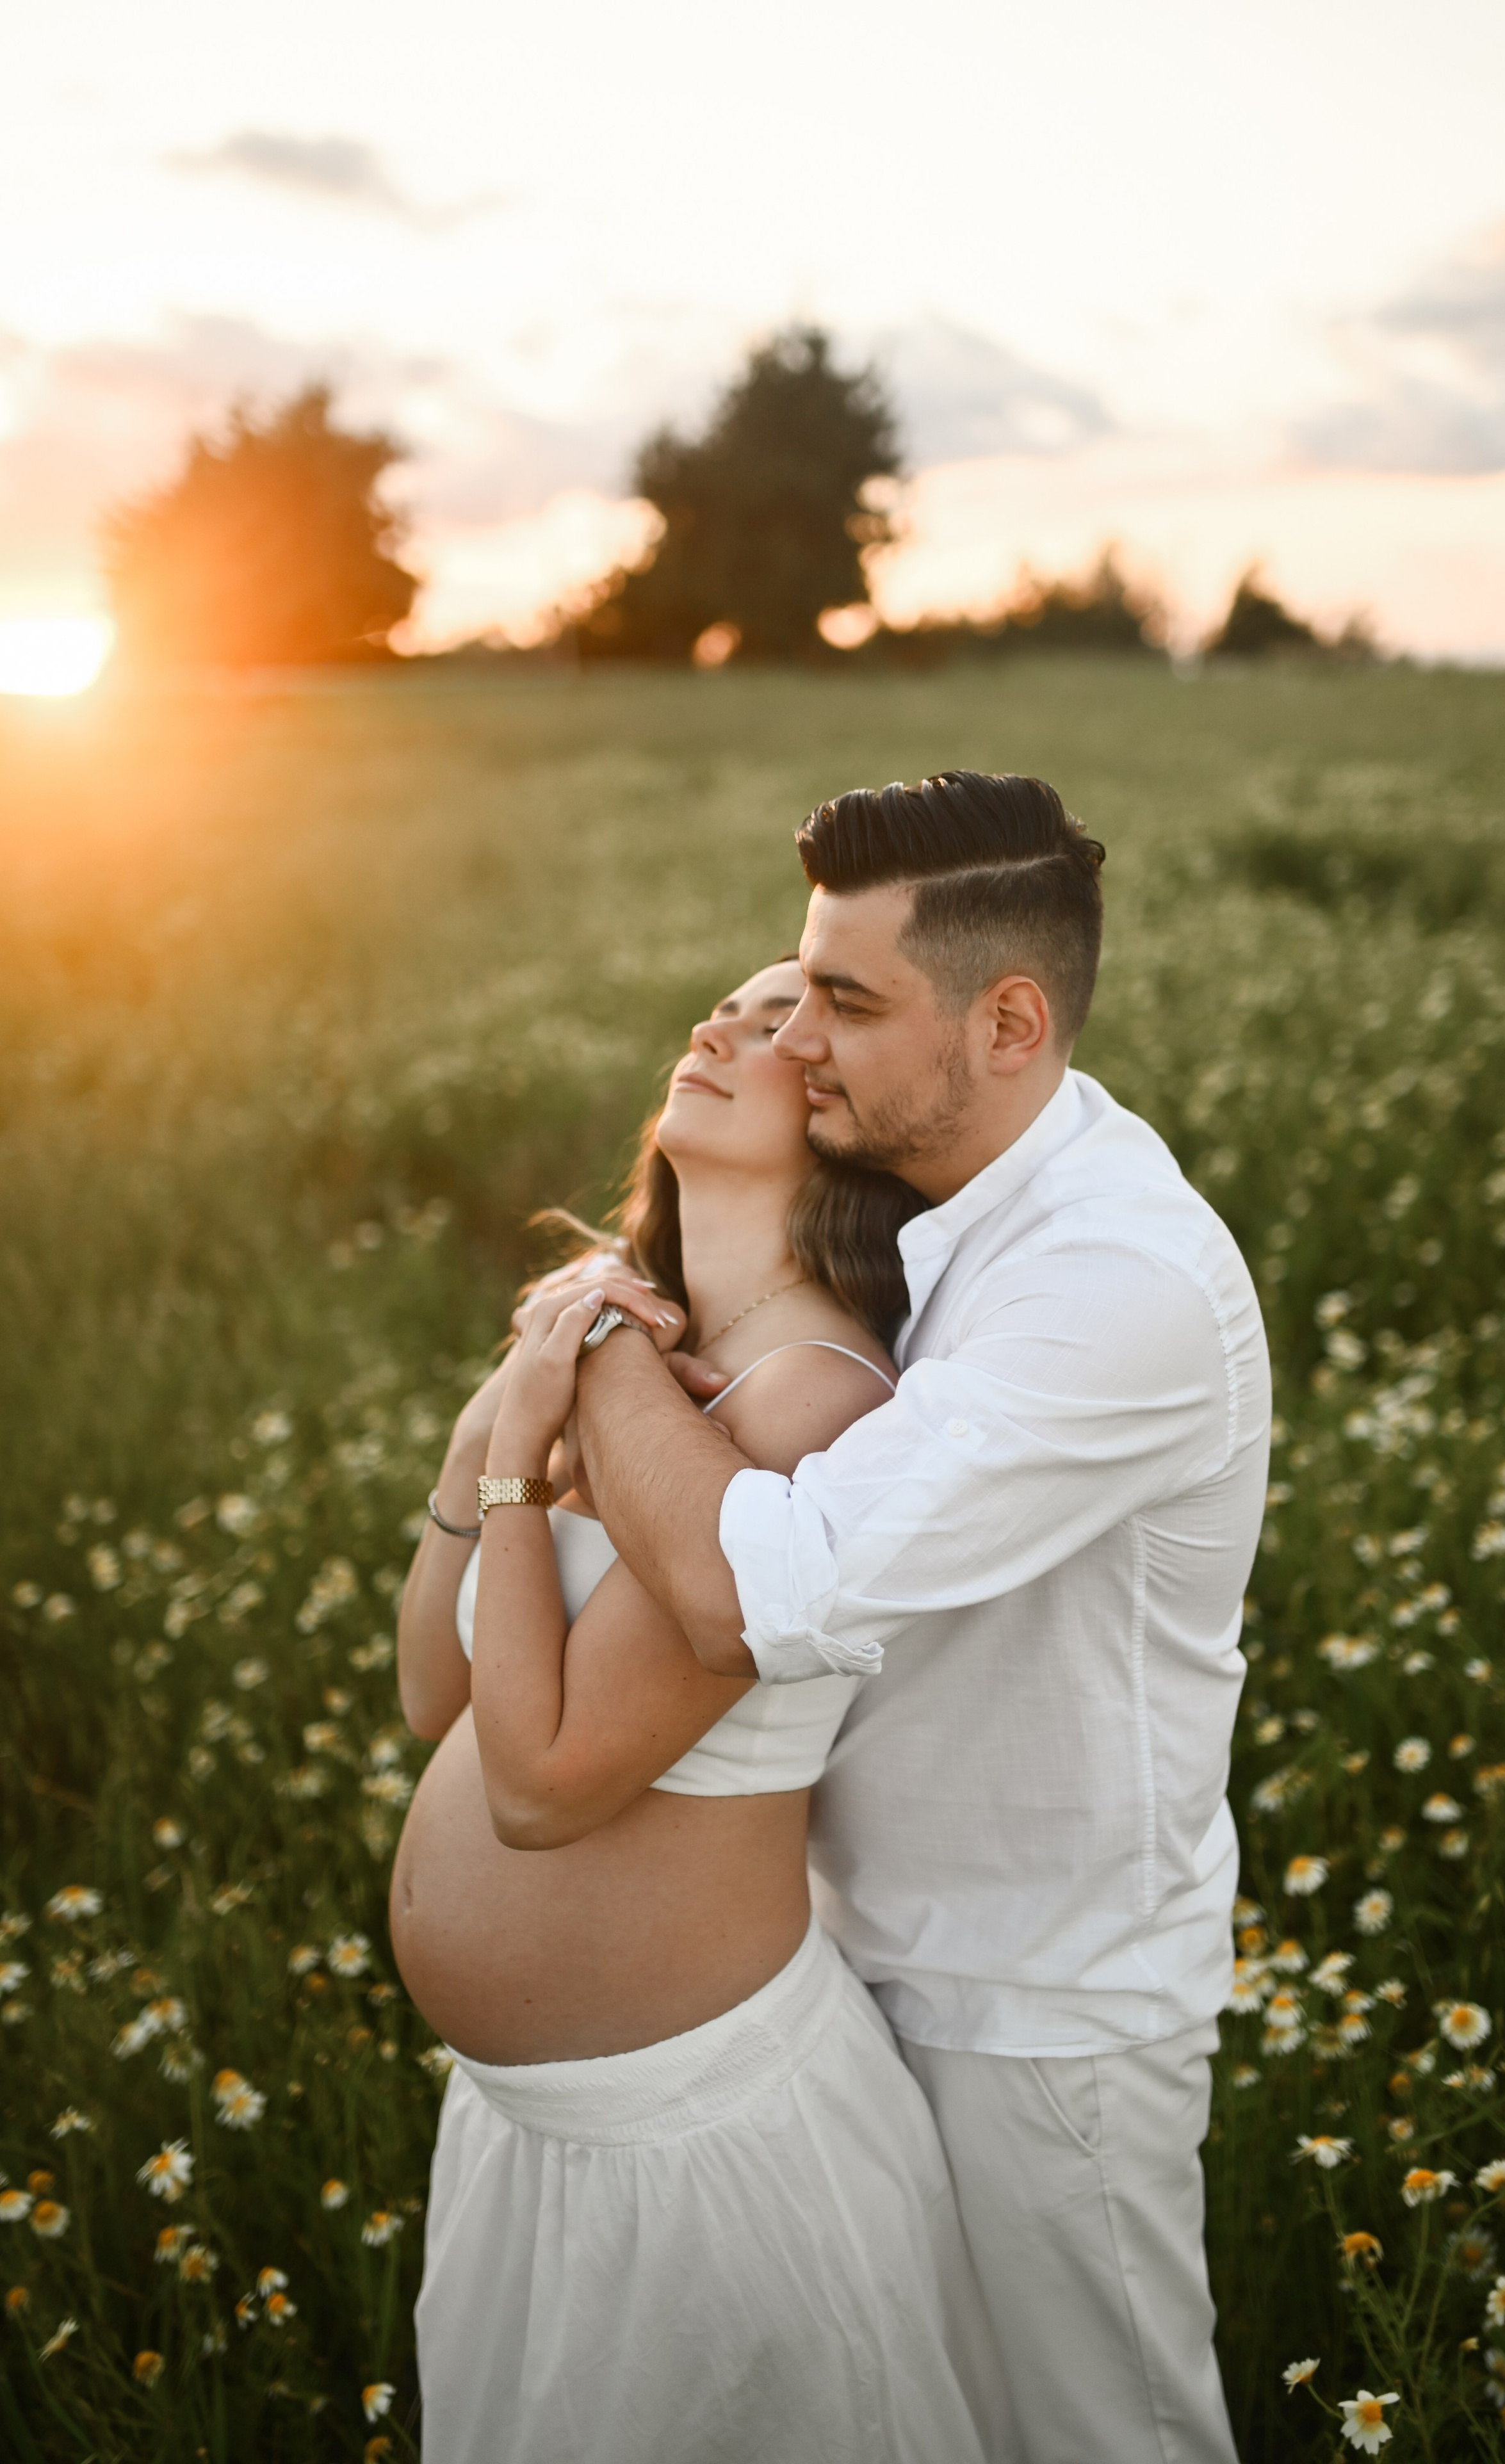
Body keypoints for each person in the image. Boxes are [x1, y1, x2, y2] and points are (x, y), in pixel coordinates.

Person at [569, 772, 1273, 2464]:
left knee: (1100, 2436)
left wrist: (590, 1340)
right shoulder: (917, 1205)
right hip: (841, 1966)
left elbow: (756, 1594)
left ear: (1010, 1019)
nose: (799, 1035)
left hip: (1040, 2009)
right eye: (800, 986)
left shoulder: (1119, 1281)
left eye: (851, 1001)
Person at [389, 955, 1015, 2464]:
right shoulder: (622, 1343)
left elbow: (536, 1786)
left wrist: (520, 1463)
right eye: (723, 1008)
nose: (723, 1028)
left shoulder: (807, 1401)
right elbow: (434, 1699)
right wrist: (503, 1419)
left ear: (847, 1112)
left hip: (700, 2158)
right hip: (530, 2132)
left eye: (778, 1021)